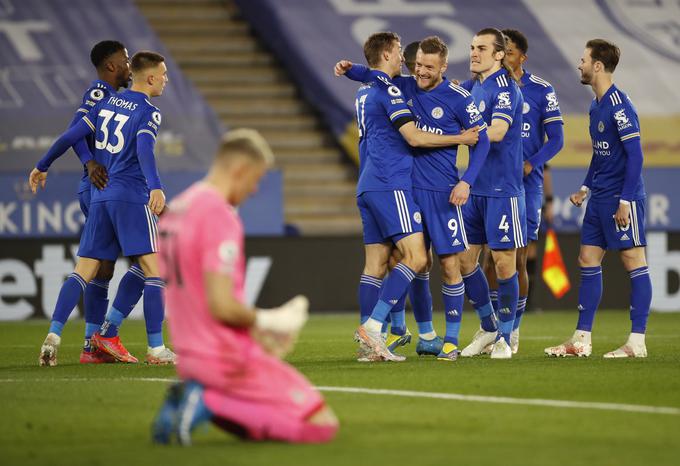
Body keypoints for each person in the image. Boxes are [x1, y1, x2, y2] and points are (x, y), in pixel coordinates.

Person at [151, 129, 338, 445]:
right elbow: (221, 305)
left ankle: (198, 399)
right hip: (225, 357)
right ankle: (207, 402)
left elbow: (192, 295)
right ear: (240, 169)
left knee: (257, 419)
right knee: (321, 425)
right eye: (256, 178)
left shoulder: (178, 209)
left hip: (189, 356)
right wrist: (270, 321)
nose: (254, 189)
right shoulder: (218, 214)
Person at [339, 35, 490, 360]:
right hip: (396, 186)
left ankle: (461, 332)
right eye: (415, 63)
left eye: (427, 66)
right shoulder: (399, 87)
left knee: (447, 263)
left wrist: (467, 181)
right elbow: (414, 137)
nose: (417, 70)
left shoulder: (456, 97)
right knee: (417, 260)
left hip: (430, 191)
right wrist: (458, 138)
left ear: (444, 67)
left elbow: (484, 141)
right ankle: (381, 328)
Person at [34, 51, 175, 366]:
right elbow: (144, 150)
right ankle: (155, 348)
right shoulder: (149, 112)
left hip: (100, 197)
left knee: (82, 272)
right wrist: (155, 186)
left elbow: (71, 135)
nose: (166, 79)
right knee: (155, 270)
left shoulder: (104, 103)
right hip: (130, 195)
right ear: (150, 78)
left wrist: (42, 165)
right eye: (163, 74)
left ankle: (53, 338)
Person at [545, 39, 651, 358]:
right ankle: (581, 339)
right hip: (599, 197)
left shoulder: (620, 106)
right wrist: (585, 187)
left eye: (583, 59)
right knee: (587, 260)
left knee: (633, 261)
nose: (579, 64)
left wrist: (626, 200)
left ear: (598, 66)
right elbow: (600, 154)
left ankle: (637, 341)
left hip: (621, 198)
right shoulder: (595, 105)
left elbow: (636, 156)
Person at [481, 29, 564, 354]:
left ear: (521, 57)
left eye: (511, 52)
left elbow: (556, 139)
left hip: (525, 187)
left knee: (516, 260)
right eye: (503, 51)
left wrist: (532, 164)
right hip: (491, 184)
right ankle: (491, 328)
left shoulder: (542, 90)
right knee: (487, 261)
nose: (506, 57)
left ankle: (512, 330)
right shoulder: (486, 87)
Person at [455, 28, 526, 359]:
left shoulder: (506, 90)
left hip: (502, 189)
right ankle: (488, 326)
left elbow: (497, 131)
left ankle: (506, 336)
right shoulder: (471, 87)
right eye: (471, 47)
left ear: (499, 54)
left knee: (503, 262)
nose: (473, 52)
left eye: (481, 48)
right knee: (464, 261)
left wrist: (464, 133)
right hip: (474, 188)